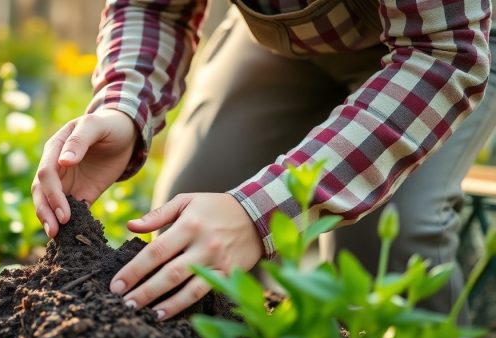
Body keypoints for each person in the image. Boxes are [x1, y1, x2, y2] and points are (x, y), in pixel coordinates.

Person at [32, 0, 494, 321]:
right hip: (288, 40)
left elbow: (445, 53)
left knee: (392, 237)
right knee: (187, 231)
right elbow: (154, 8)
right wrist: (124, 105)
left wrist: (261, 215)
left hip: (442, 46)